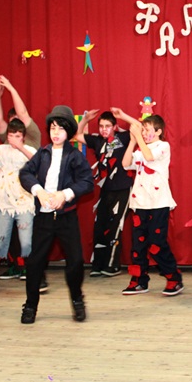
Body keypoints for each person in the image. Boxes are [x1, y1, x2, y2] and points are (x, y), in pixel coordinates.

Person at [18, 105, 94, 324]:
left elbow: (87, 181)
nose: (56, 132)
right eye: (52, 128)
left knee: (75, 261)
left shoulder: (74, 156)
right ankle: (30, 305)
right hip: (43, 218)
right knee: (35, 263)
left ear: (68, 131)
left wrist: (66, 194)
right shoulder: (42, 153)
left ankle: (77, 300)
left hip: (66, 218)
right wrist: (38, 190)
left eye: (60, 128)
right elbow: (25, 173)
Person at [120, 114, 184, 296]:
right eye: (143, 130)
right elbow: (125, 164)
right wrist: (132, 142)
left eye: (147, 130)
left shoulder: (163, 146)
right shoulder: (141, 149)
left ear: (158, 131)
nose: (144, 133)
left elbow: (149, 157)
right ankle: (139, 280)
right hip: (140, 203)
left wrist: (138, 138)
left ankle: (173, 278)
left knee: (157, 243)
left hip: (158, 203)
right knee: (138, 245)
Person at [0, 119, 37, 294]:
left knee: (27, 241)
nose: (13, 139)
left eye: (17, 136)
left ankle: (35, 275)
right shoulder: (2, 150)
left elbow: (38, 162)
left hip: (24, 202)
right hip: (5, 204)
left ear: (23, 137)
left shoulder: (29, 150)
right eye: (11, 135)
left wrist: (21, 147)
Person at [75, 109, 135, 278]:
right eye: (101, 126)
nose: (104, 129)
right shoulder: (97, 140)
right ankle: (98, 264)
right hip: (105, 190)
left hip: (123, 189)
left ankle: (112, 265)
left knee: (116, 226)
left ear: (115, 127)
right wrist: (85, 119)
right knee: (100, 227)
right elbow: (77, 135)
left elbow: (138, 127)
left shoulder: (123, 138)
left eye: (108, 126)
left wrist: (123, 116)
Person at [0, 74, 42, 279]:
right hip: (8, 195)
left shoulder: (32, 135)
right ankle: (15, 266)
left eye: (18, 123)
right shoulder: (7, 138)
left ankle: (33, 270)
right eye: (11, 124)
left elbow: (22, 113)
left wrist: (11, 88)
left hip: (28, 194)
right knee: (10, 233)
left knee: (28, 233)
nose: (14, 129)